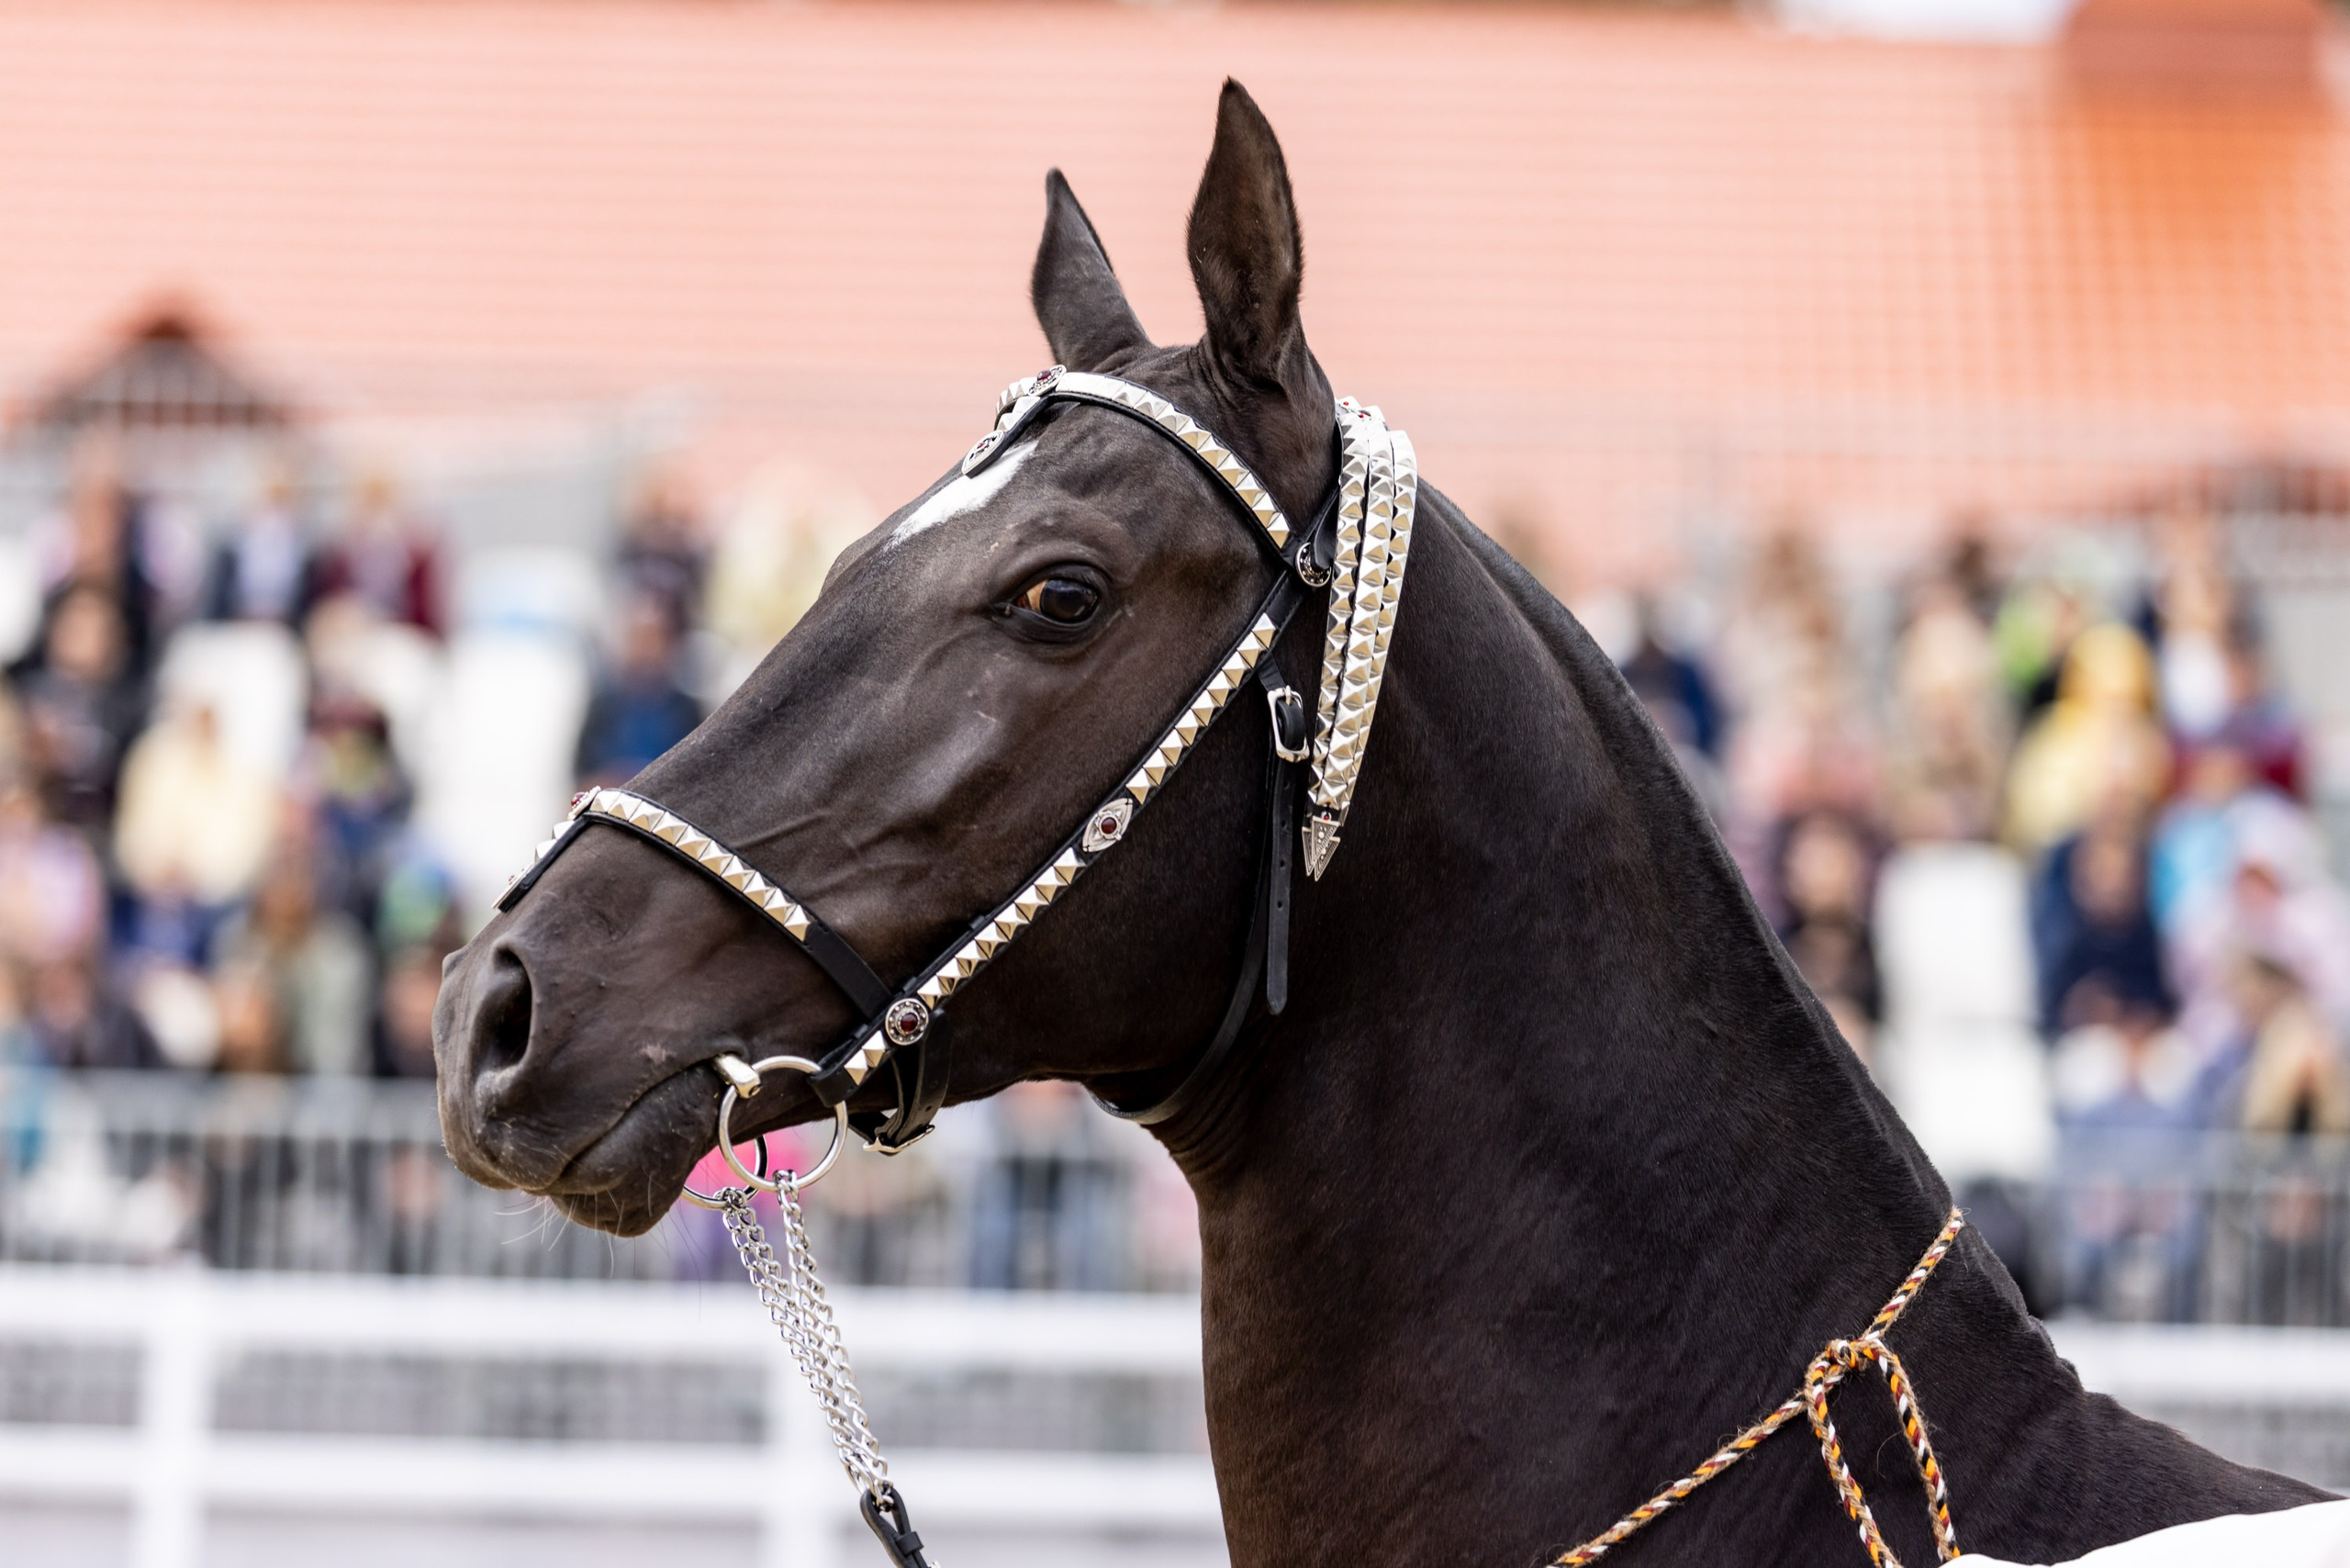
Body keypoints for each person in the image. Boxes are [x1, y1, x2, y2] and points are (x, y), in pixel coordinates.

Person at [12, 581, 148, 834]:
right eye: (73, 623)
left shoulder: (129, 710)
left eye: (92, 626)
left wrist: (69, 754)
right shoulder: (21, 692)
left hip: (92, 835)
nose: (79, 635)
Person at [2031, 805, 2171, 1037]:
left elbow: (2159, 1001)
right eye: (2103, 873)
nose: (2112, 884)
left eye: (2121, 874)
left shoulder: (2146, 936)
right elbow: (2051, 1008)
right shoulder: (2064, 937)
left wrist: (2134, 1018)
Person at [574, 590, 703, 787]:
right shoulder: (603, 708)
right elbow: (581, 777)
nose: (646, 647)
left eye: (653, 638)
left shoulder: (686, 711)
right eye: (639, 638)